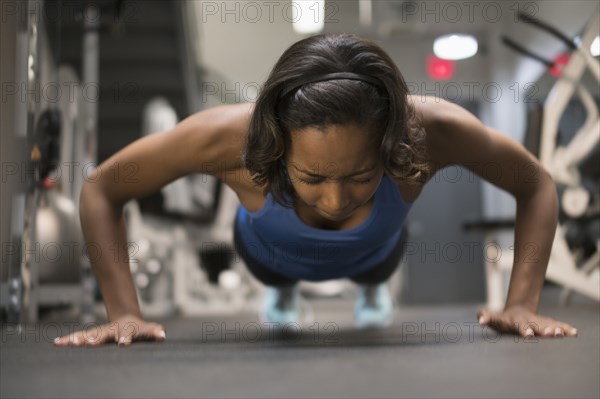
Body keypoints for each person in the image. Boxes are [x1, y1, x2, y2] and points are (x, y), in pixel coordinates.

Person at [54, 33, 577, 347]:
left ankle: (369, 290)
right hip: (266, 257)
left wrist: (522, 303)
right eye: (313, 178)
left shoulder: (431, 132)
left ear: (393, 144)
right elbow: (102, 190)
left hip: (377, 255)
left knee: (374, 265)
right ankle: (284, 292)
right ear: (277, 144)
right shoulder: (225, 137)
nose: (335, 200)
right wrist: (123, 312)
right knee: (276, 274)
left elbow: (535, 185)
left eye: (360, 177)